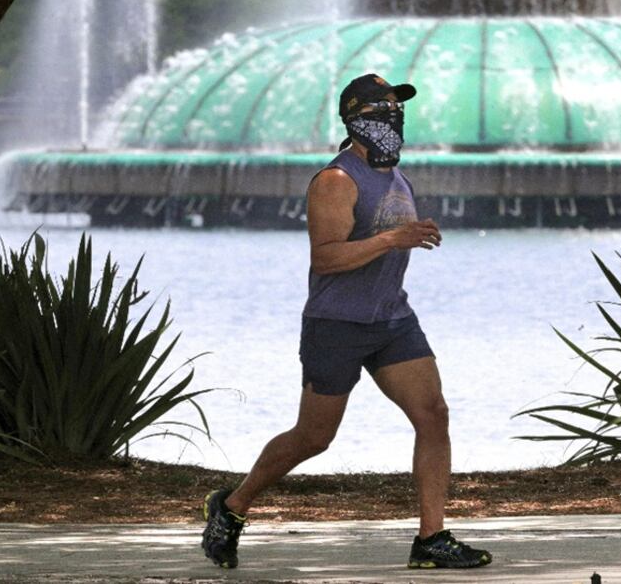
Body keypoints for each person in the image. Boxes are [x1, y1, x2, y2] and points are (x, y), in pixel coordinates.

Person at [200, 73, 493, 570]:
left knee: (433, 414)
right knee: (314, 438)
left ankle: (432, 538)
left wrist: (408, 236)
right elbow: (326, 259)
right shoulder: (335, 180)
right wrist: (391, 240)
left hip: (392, 320)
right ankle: (231, 506)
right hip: (336, 324)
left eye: (397, 109)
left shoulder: (397, 176)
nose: (394, 117)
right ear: (357, 118)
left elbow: (391, 238)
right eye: (383, 110)